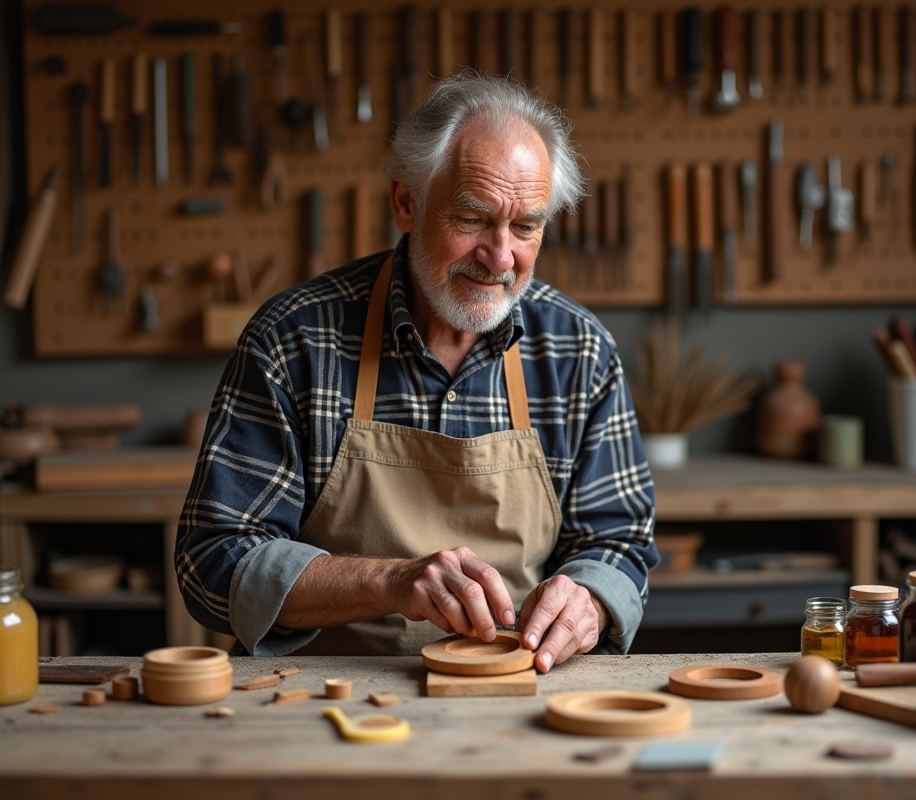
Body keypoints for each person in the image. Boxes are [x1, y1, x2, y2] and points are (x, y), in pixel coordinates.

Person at [175, 73, 658, 671]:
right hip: (323, 698)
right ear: (406, 202)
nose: (501, 256)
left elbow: (619, 540)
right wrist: (388, 582)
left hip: (519, 693)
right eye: (472, 219)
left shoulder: (578, 351)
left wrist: (588, 597)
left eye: (526, 226)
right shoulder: (294, 340)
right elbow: (212, 563)